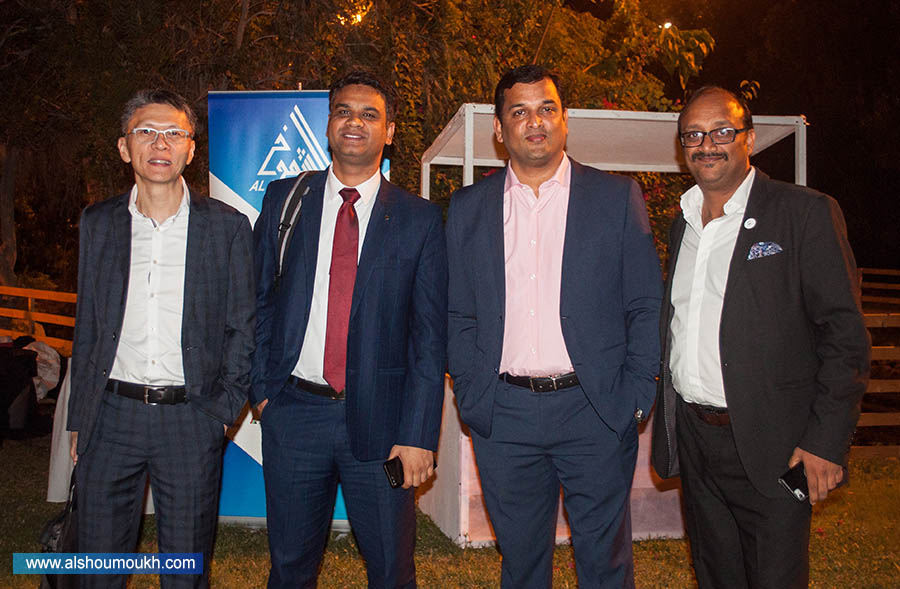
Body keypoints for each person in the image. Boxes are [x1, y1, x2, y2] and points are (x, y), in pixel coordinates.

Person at [446, 65, 662, 588]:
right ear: (499, 129)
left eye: (547, 108)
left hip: (595, 409)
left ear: (565, 119)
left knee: (605, 563)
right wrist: (473, 390)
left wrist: (636, 394)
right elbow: (457, 312)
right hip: (505, 415)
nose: (535, 121)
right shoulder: (469, 208)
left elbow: (644, 303)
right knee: (521, 564)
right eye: (519, 112)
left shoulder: (615, 197)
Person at [651, 86, 870, 588]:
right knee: (715, 575)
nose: (707, 144)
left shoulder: (803, 213)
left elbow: (845, 337)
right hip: (697, 440)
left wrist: (825, 443)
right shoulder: (683, 223)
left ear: (748, 138)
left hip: (776, 445)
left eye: (722, 131)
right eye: (693, 135)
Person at [251, 70, 447, 588]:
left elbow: (429, 339)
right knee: (289, 568)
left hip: (384, 427)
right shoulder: (285, 200)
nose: (354, 122)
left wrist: (417, 434)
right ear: (328, 124)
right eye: (343, 111)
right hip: (294, 415)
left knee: (391, 570)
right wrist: (263, 392)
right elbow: (258, 301)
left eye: (369, 114)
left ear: (390, 132)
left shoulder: (420, 219)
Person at [67, 88, 255, 588]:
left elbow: (243, 326)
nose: (160, 143)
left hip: (190, 418)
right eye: (146, 132)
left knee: (185, 569)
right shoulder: (98, 223)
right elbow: (88, 327)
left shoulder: (227, 228)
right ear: (124, 147)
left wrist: (221, 411)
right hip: (110, 416)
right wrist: (81, 417)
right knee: (98, 568)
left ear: (190, 150)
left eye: (174, 133)